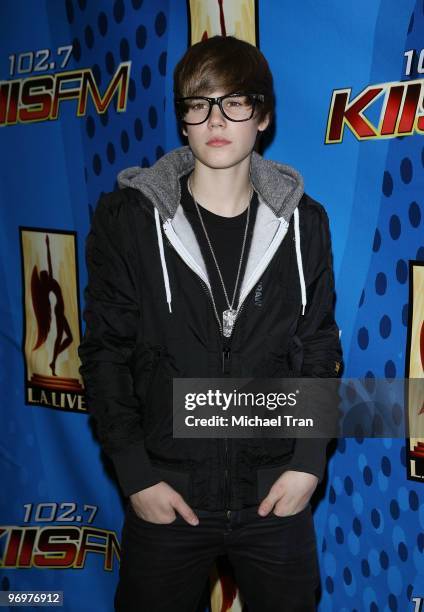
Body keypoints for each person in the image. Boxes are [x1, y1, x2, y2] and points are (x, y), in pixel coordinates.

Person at [78, 35, 343, 612]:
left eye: (235, 102)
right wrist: (136, 476)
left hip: (274, 496)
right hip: (169, 495)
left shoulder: (304, 224)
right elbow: (105, 355)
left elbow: (320, 346)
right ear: (183, 119)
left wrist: (306, 465)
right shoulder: (129, 219)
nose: (215, 119)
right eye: (198, 104)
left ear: (264, 115)